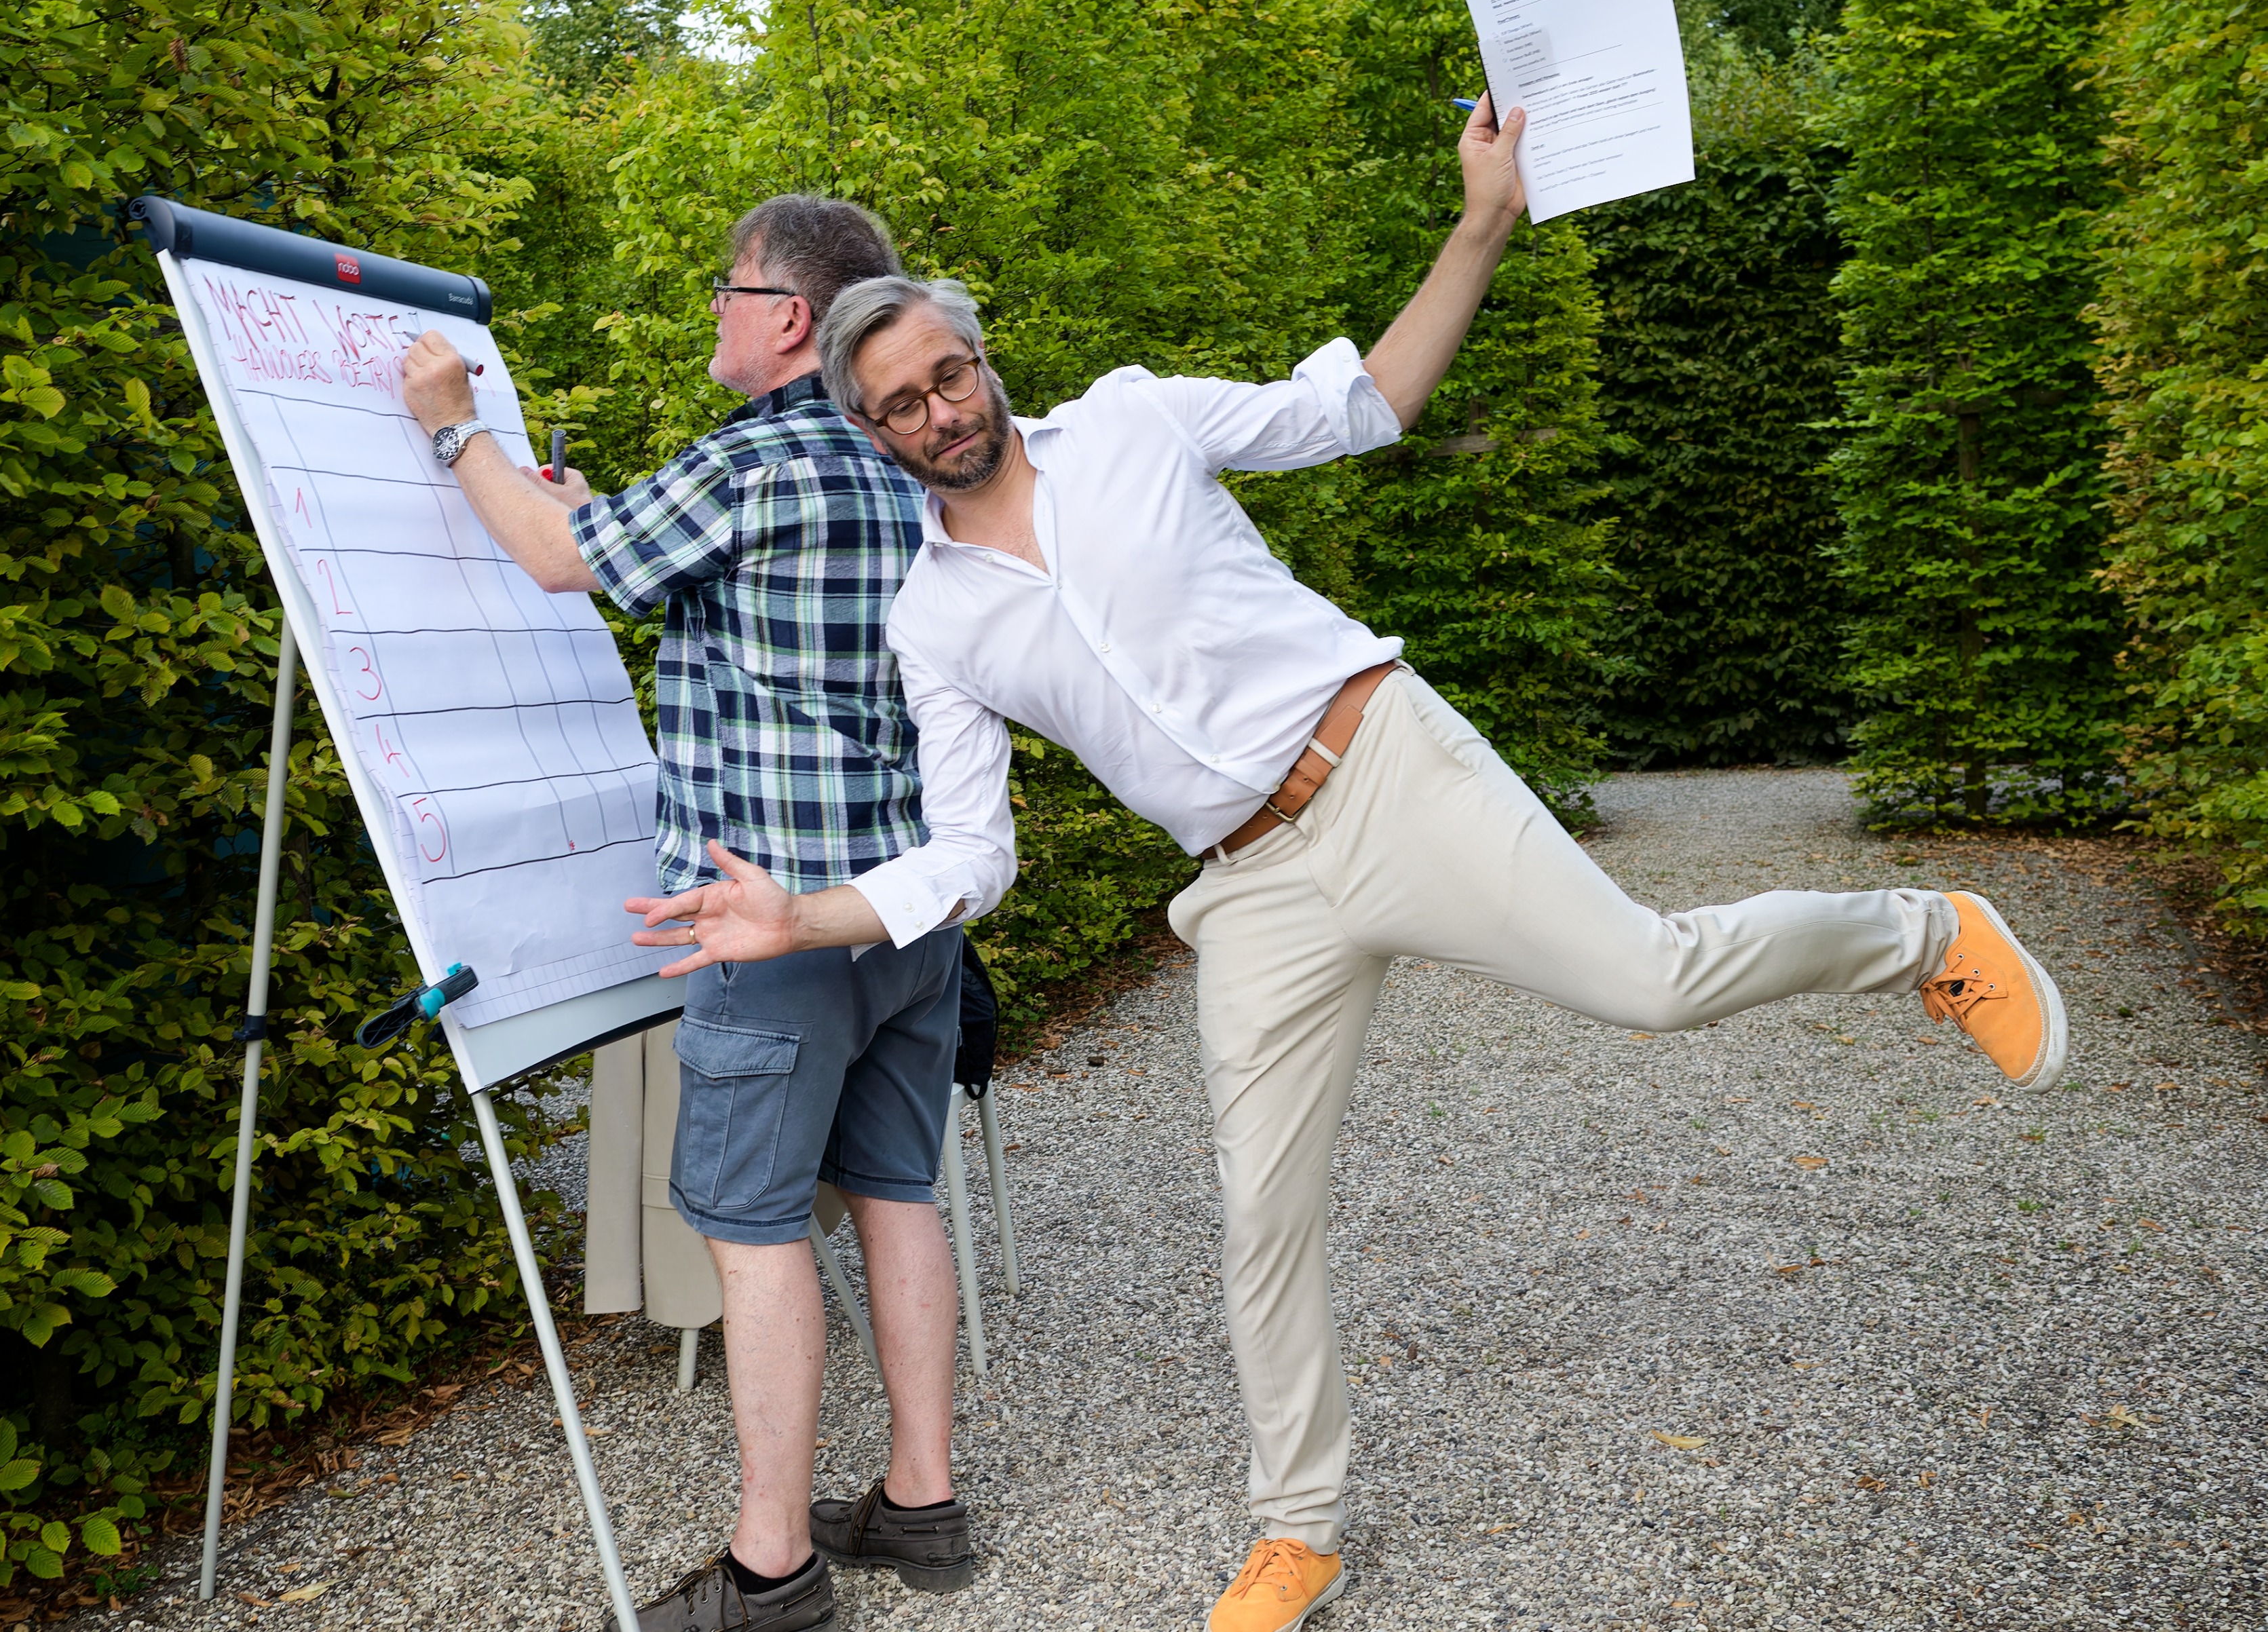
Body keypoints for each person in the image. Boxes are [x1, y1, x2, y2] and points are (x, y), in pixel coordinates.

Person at [616, 98, 2071, 1632]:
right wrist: (800, 918)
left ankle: (1927, 933)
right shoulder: (935, 618)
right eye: (902, 406)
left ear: (982, 361)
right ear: (870, 432)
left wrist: (1484, 219)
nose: (939, 413)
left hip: (1381, 766)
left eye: (949, 374)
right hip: (1250, 887)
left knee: (1651, 979)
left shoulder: (1132, 420)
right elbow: (973, 853)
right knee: (1261, 1213)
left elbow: (1361, 403)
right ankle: (1296, 1528)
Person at [400, 195, 992, 1632]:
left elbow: (562, 562)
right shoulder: (896, 456)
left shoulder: (748, 460)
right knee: (898, 1191)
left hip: (766, 926)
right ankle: (921, 1503)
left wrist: (453, 432)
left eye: (729, 291)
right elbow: (619, 545)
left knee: (754, 1226)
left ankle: (770, 1569)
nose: (714, 314)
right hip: (901, 914)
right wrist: (571, 498)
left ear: (788, 315)